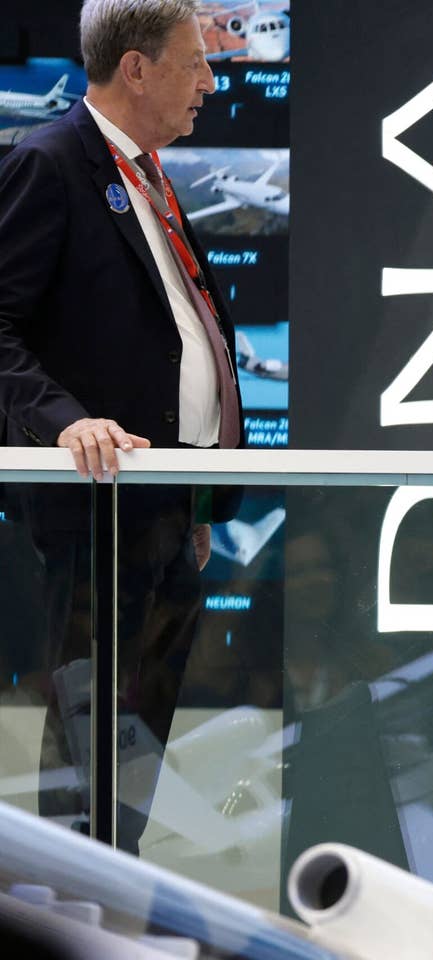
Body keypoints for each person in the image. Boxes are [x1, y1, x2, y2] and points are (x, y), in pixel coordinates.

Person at [0, 0, 242, 852]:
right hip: (96, 514)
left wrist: (201, 496)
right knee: (86, 762)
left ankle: (116, 919)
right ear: (135, 69)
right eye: (195, 62)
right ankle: (68, 926)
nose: (211, 81)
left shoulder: (146, 174)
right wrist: (64, 422)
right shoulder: (51, 161)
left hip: (167, 511)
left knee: (135, 763)